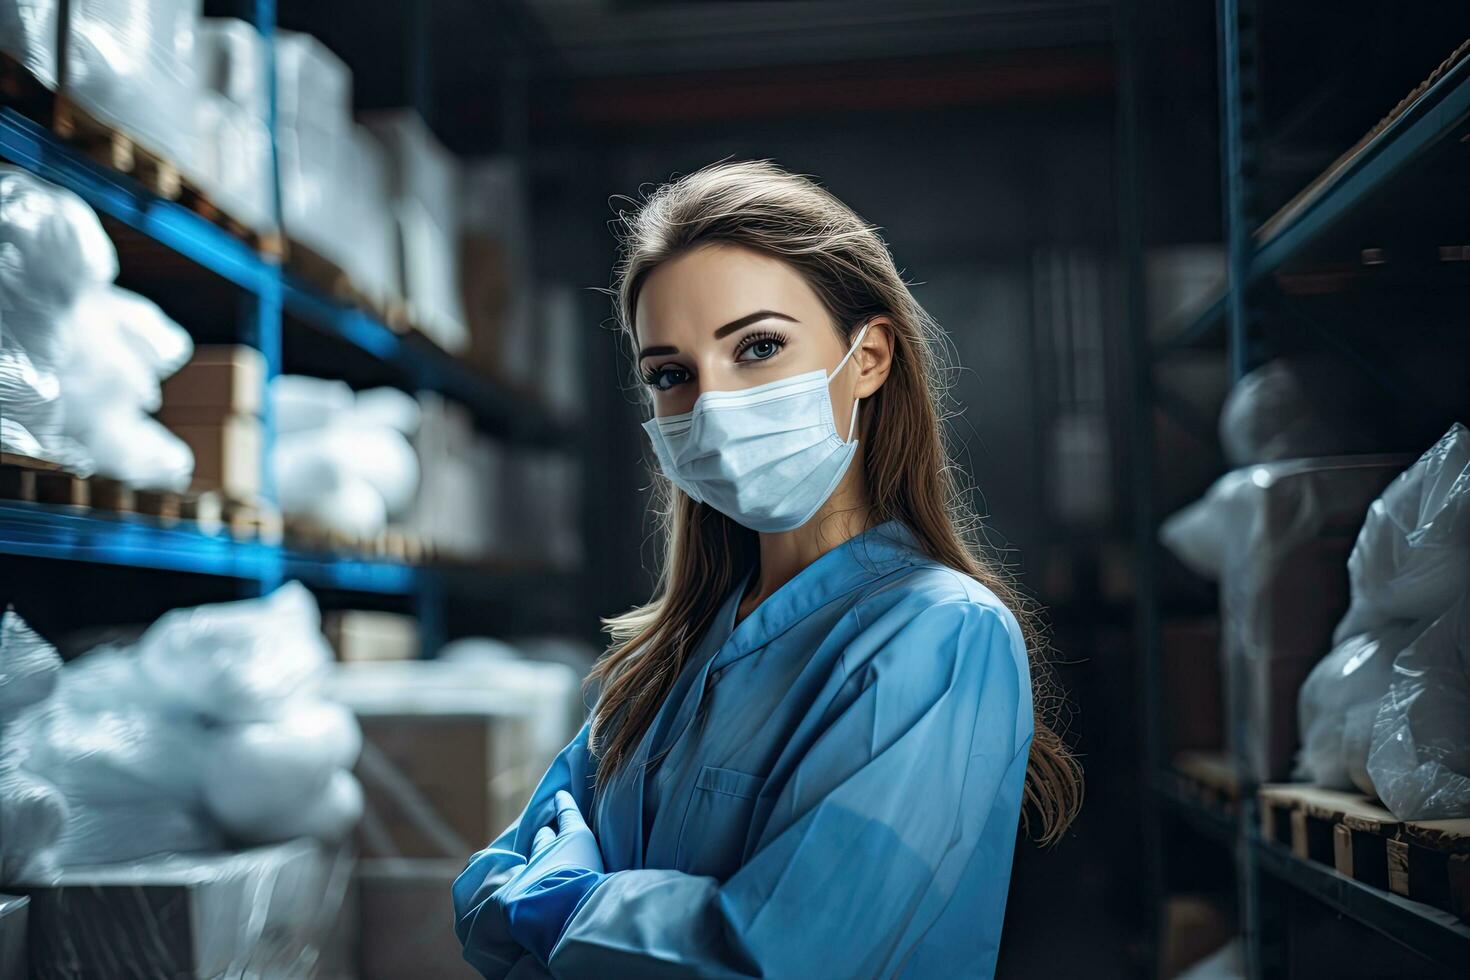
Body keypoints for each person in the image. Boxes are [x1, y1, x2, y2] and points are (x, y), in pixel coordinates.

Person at [452, 158, 1083, 979]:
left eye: (757, 347)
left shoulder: (940, 635)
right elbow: (480, 894)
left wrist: (561, 899)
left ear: (869, 358)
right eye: (671, 374)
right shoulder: (664, 662)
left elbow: (785, 956)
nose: (711, 408)